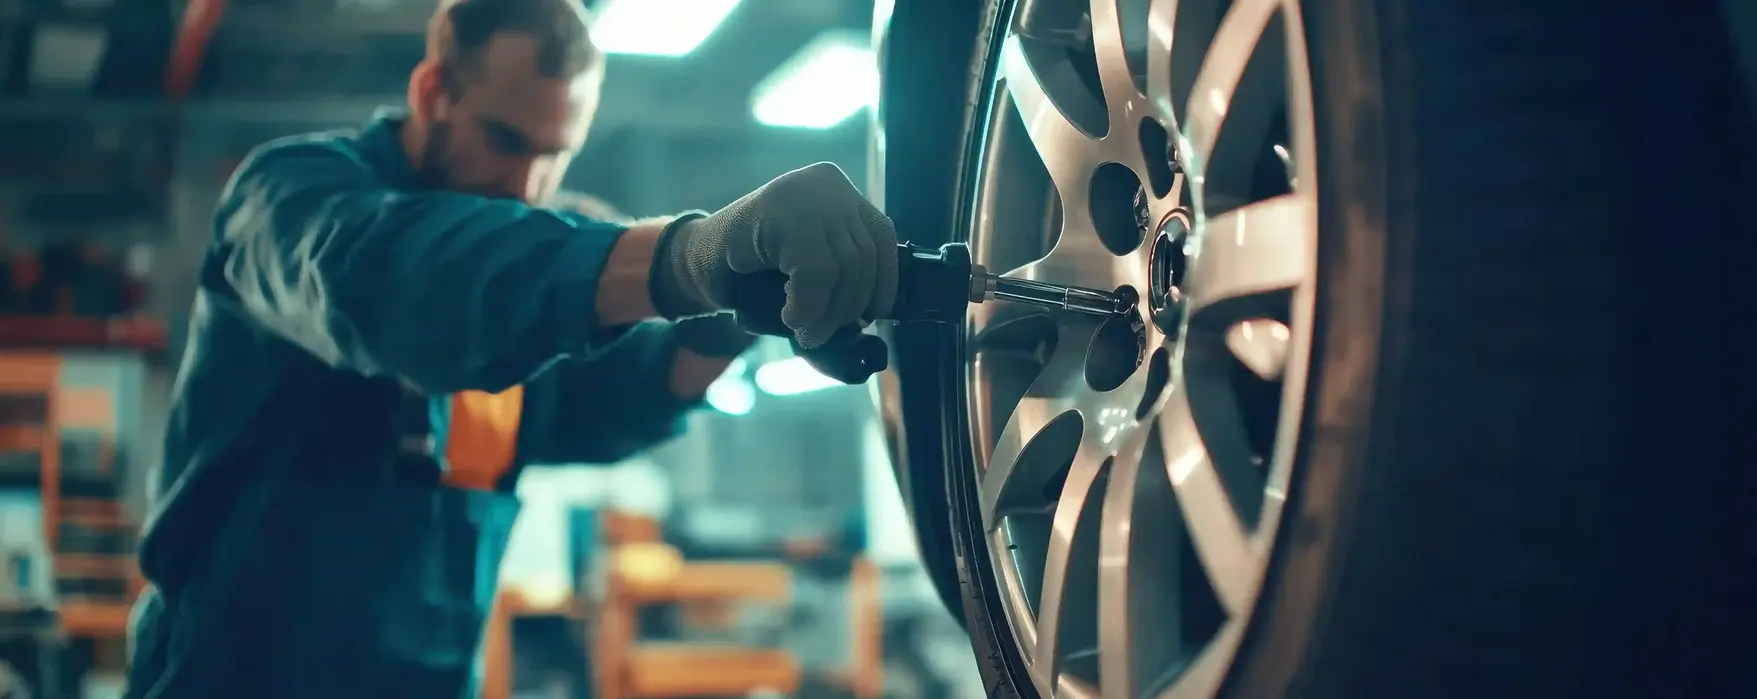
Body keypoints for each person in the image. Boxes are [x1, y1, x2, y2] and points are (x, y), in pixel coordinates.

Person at [122, 0, 898, 695]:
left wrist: (728, 317)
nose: (527, 183)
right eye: (505, 140)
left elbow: (603, 398)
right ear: (433, 92)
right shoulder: (291, 196)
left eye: (553, 153)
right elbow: (395, 285)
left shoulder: (541, 258)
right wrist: (691, 255)